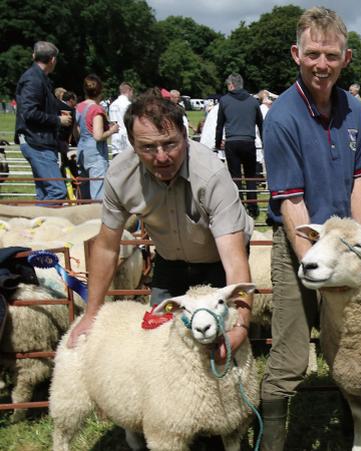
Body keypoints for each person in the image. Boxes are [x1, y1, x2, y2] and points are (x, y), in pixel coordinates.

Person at [67, 92, 254, 363]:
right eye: (148, 147)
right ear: (131, 143)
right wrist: (92, 313)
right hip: (169, 261)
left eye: (170, 144)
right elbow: (107, 246)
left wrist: (240, 325)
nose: (162, 156)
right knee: (158, 339)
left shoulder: (212, 175)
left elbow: (235, 260)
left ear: (185, 137)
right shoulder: (120, 176)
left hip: (218, 262)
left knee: (219, 339)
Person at [260, 7, 361, 450]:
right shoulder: (282, 118)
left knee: (353, 347)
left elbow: (360, 180)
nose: (321, 64)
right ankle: (272, 441)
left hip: (345, 249)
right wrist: (313, 265)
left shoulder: (354, 109)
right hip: (301, 249)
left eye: (330, 54)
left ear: (345, 58)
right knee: (290, 355)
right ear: (296, 54)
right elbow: (290, 203)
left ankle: (360, 435)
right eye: (312, 54)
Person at [14, 41, 71, 202]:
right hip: (36, 142)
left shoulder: (39, 78)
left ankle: (40, 224)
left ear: (34, 56)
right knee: (57, 191)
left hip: (40, 141)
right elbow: (29, 113)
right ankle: (47, 226)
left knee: (45, 193)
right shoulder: (33, 79)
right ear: (52, 60)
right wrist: (58, 120)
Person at [215, 73, 264, 219]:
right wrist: (265, 143)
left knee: (235, 177)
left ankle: (238, 205)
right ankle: (253, 207)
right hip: (249, 142)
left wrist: (218, 143)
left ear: (231, 85)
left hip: (232, 142)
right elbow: (261, 125)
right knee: (250, 176)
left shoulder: (224, 101)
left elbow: (220, 125)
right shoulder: (253, 102)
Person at [75, 74, 118, 200]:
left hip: (82, 151)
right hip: (96, 154)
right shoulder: (96, 110)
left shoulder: (79, 107)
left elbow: (76, 131)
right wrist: (112, 130)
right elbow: (98, 136)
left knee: (84, 192)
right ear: (100, 91)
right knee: (98, 192)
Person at [108, 82, 134, 155]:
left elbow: (112, 123)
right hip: (126, 138)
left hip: (115, 137)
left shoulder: (112, 105)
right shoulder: (128, 104)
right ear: (129, 90)